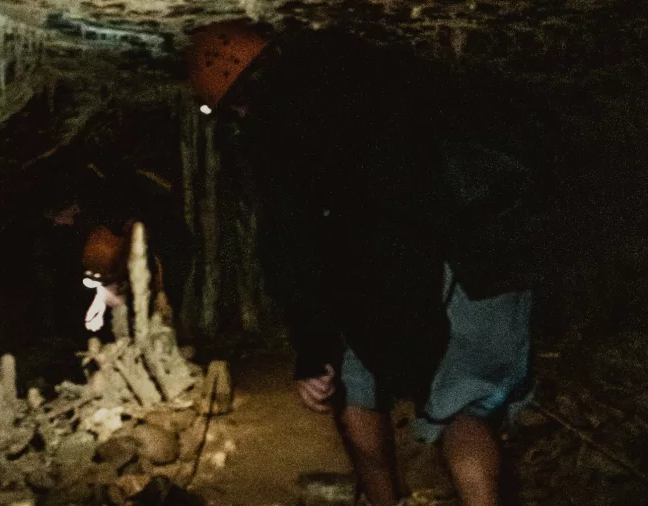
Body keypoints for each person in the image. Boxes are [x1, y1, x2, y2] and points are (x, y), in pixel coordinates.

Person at [186, 21, 541, 506]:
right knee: (468, 409)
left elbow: (290, 242)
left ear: (236, 97)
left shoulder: (277, 131)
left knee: (355, 388)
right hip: (491, 249)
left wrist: (313, 346)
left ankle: (383, 499)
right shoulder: (381, 68)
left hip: (391, 271)